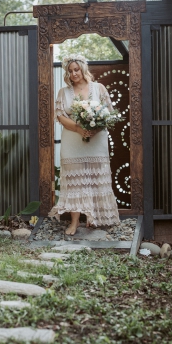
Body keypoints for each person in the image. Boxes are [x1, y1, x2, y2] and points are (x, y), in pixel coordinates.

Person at [55, 56, 120, 238]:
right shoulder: (63, 92)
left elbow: (109, 113)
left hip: (96, 140)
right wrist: (78, 128)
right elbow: (60, 116)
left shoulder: (99, 88)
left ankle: (93, 217)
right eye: (70, 71)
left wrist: (94, 127)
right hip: (72, 140)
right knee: (75, 183)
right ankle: (75, 221)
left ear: (83, 69)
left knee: (93, 177)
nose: (73, 74)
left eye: (76, 69)